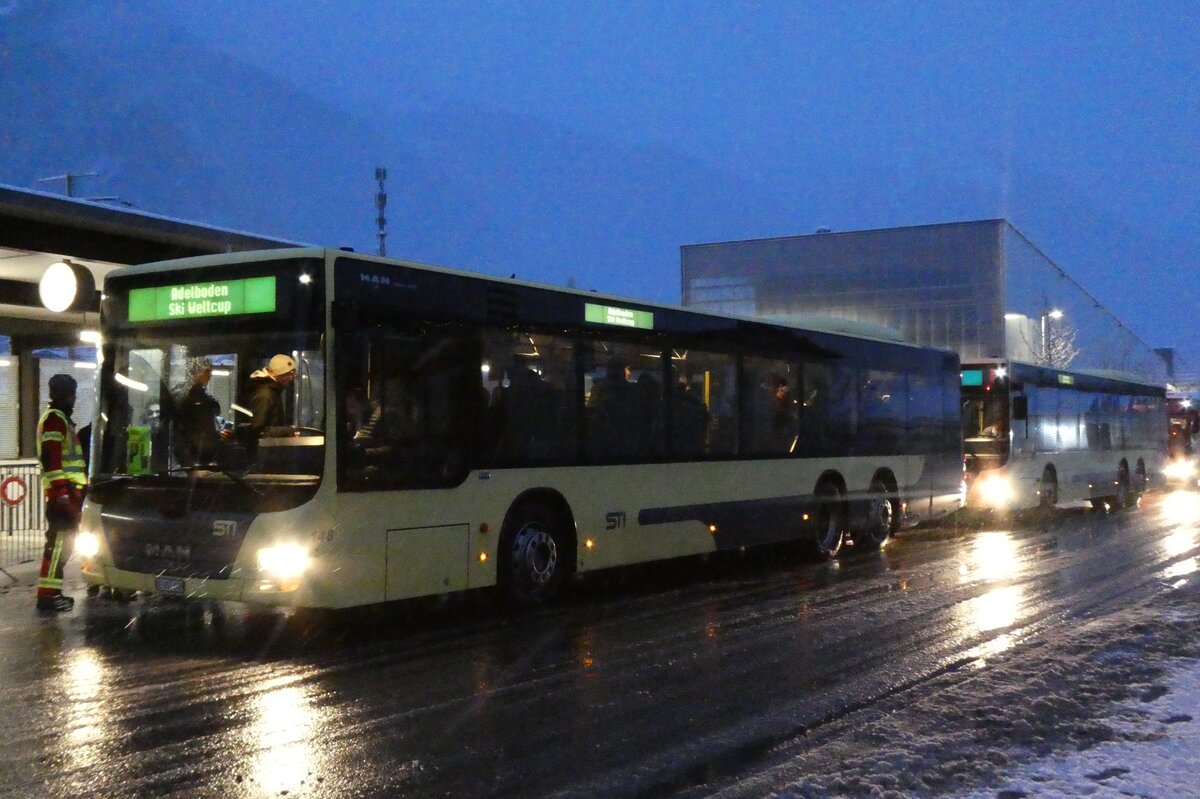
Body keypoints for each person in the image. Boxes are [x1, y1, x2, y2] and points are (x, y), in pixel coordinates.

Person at [36, 374, 86, 613]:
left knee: (62, 546)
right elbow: (51, 458)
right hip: (62, 496)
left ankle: (53, 593)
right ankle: (47, 596)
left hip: (65, 494)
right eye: (72, 395)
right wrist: (63, 494)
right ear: (66, 395)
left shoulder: (59, 419)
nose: (74, 399)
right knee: (58, 546)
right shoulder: (56, 420)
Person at [171, 356, 232, 465]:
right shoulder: (184, 396)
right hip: (192, 462)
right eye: (207, 371)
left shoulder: (202, 396)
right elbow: (180, 434)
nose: (210, 375)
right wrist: (188, 466)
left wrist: (217, 435)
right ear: (196, 372)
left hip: (204, 460)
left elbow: (202, 428)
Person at [243, 353, 297, 443]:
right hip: (264, 453)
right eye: (289, 374)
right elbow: (259, 431)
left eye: (293, 374)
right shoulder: (265, 394)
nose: (291, 378)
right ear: (278, 373)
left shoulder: (271, 391)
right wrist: (288, 431)